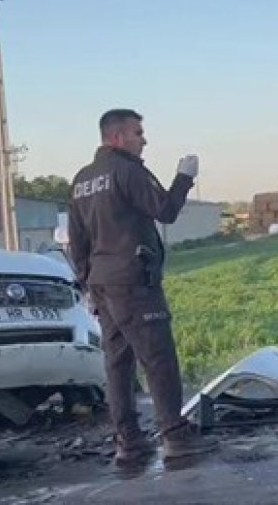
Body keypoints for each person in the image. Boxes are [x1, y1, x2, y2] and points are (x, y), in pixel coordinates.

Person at [67, 108, 218, 464]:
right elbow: (164, 209)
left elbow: (76, 239)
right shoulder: (126, 170)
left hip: (101, 283)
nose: (143, 139)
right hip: (133, 281)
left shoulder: (82, 179)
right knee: (158, 358)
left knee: (117, 363)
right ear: (117, 138)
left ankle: (128, 441)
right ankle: (176, 436)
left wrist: (86, 280)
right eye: (138, 133)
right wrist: (184, 178)